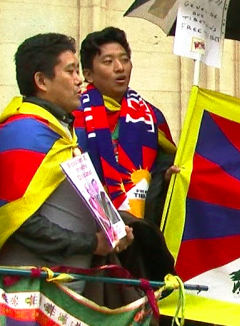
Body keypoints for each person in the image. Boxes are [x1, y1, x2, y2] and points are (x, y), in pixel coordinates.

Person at [0, 33, 133, 294]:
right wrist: (90, 244)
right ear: (41, 81)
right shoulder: (22, 133)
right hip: (28, 295)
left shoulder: (63, 134)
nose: (79, 80)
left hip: (69, 291)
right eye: (71, 71)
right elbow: (21, 224)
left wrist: (114, 230)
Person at [74, 27, 177, 282]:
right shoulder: (73, 117)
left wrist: (166, 179)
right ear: (88, 74)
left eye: (124, 59)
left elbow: (160, 169)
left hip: (140, 234)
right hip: (91, 234)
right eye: (108, 62)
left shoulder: (151, 117)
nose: (120, 67)